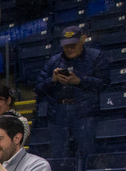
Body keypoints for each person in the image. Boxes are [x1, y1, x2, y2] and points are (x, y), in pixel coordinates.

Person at [34, 26, 109, 162]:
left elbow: (104, 83)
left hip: (85, 112)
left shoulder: (96, 56)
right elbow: (38, 88)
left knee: (86, 152)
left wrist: (79, 81)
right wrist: (52, 80)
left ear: (82, 40)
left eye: (73, 45)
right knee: (59, 155)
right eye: (66, 45)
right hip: (58, 113)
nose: (69, 48)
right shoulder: (54, 61)